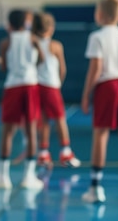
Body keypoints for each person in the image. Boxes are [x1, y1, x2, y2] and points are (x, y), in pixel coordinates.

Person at [80, 0, 118, 203]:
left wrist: (86, 94)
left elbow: (95, 68)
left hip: (108, 85)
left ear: (100, 14)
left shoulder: (97, 37)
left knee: (101, 134)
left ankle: (95, 188)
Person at [0, 9, 44, 190]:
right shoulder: (33, 39)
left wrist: (4, 63)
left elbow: (5, 69)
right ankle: (29, 176)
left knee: (8, 132)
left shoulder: (5, 43)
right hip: (30, 84)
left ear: (10, 24)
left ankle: (2, 176)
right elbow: (42, 60)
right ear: (25, 22)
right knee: (31, 130)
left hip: (13, 86)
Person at [31, 12, 80, 168]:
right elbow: (63, 69)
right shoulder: (56, 45)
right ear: (51, 28)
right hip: (51, 86)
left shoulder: (32, 44)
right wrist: (58, 83)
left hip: (36, 85)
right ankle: (66, 152)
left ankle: (43, 153)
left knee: (44, 120)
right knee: (60, 119)